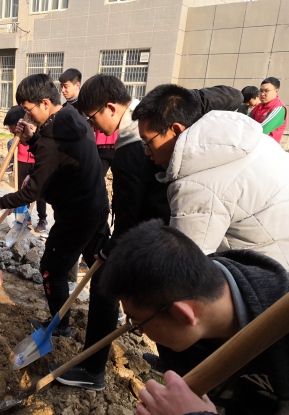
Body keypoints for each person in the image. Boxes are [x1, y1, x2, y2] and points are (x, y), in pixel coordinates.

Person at [54, 78, 244, 390]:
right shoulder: (153, 117)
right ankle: (170, 361)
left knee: (118, 289)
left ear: (110, 108)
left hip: (170, 231)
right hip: (173, 224)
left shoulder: (132, 147)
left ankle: (92, 371)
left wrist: (111, 249)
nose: (93, 126)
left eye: (92, 117)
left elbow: (129, 215)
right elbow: (233, 94)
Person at [99, 219, 289, 415]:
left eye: (139, 325)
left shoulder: (282, 328)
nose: (139, 332)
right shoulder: (182, 341)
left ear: (181, 315)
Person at [0, 74, 110, 339]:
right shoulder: (75, 117)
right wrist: (33, 140)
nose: (27, 115)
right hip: (98, 206)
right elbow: (59, 157)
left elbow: (33, 191)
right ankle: (106, 320)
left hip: (75, 215)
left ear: (45, 102)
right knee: (100, 266)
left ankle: (60, 327)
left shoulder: (49, 141)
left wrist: (1, 202)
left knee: (51, 269)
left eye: (28, 109)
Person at [132, 83, 289, 269]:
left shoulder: (196, 185)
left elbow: (185, 267)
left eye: (148, 142)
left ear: (177, 130)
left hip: (268, 272)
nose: (146, 152)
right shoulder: (244, 138)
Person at [3, 106, 48, 233]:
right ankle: (24, 218)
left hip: (35, 162)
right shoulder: (18, 136)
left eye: (15, 133)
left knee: (40, 193)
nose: (15, 137)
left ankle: (42, 218)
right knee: (21, 190)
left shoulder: (39, 127)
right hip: (21, 160)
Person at [249, 77, 287, 143]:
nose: (262, 94)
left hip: (267, 146)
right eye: (261, 91)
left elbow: (262, 130)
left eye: (266, 91)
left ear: (277, 91)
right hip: (253, 143)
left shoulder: (279, 108)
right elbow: (245, 121)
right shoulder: (258, 106)